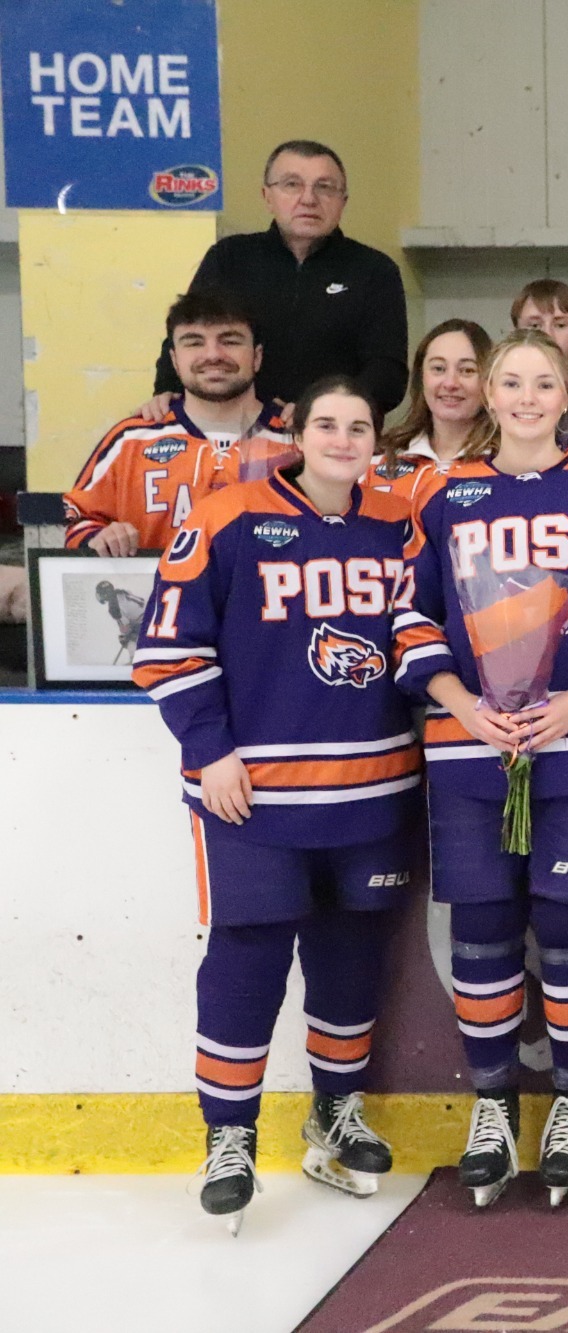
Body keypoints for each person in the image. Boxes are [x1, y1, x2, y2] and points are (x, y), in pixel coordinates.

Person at [393, 329, 568, 1210]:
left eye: (540, 382)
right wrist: (463, 703)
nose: (523, 396)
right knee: (481, 927)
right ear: (485, 392)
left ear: (566, 395)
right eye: (507, 381)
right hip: (472, 747)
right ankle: (490, 1108)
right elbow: (410, 613)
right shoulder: (441, 489)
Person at [133, 375, 422, 1232]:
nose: (343, 438)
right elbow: (166, 647)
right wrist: (209, 748)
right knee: (248, 956)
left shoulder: (403, 522)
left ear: (378, 438)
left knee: (350, 956)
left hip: (374, 793)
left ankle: (334, 1111)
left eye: (359, 426)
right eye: (328, 423)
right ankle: (229, 1134)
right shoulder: (227, 517)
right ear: (299, 429)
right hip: (252, 797)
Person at [145, 141, 407, 418]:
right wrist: (165, 392)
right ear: (267, 196)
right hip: (235, 432)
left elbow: (388, 373)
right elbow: (188, 332)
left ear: (343, 201)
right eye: (292, 184)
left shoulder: (375, 270)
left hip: (334, 435)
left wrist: (323, 410)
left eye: (325, 187)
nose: (308, 199)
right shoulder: (230, 257)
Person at [66, 290, 287, 554]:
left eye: (230, 341)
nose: (213, 355)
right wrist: (100, 535)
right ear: (174, 359)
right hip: (156, 595)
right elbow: (78, 520)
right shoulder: (131, 440)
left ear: (257, 356)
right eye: (194, 342)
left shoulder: (299, 442)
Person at [375, 320, 493, 499]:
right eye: (438, 368)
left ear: (489, 380)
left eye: (467, 370)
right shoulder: (378, 458)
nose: (451, 383)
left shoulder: (508, 463)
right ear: (421, 378)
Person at [512, 279, 568, 399]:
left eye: (560, 325)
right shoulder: (496, 404)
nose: (548, 335)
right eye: (535, 326)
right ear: (514, 337)